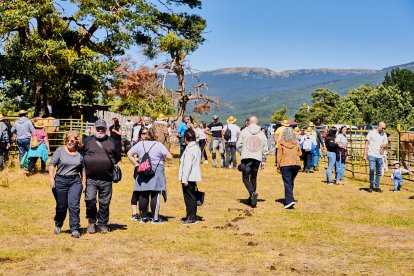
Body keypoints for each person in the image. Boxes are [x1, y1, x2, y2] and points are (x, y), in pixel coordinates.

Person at [82, 119, 121, 234]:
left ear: (106, 129)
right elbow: (80, 156)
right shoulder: (87, 141)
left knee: (104, 202)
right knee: (90, 200)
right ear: (94, 128)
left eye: (102, 128)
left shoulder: (113, 142)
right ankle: (91, 222)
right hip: (90, 178)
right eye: (98, 128)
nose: (100, 130)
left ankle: (103, 224)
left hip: (107, 178)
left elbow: (117, 158)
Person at [127, 128, 172, 224]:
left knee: (144, 193)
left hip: (143, 168)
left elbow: (129, 153)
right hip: (156, 170)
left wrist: (136, 164)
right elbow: (169, 157)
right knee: (155, 194)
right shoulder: (159, 145)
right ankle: (155, 218)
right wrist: (162, 156)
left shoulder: (140, 144)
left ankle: (143, 218)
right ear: (155, 135)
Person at [49, 131, 86, 238]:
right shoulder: (60, 151)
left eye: (73, 140)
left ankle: (74, 228)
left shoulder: (80, 154)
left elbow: (83, 169)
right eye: (68, 139)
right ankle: (58, 223)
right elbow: (52, 165)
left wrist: (84, 183)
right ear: (66, 140)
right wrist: (51, 178)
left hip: (75, 181)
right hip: (60, 180)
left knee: (74, 205)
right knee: (62, 206)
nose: (70, 141)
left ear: (76, 142)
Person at [236, 116, 269, 208]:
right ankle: (252, 197)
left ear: (249, 122)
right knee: (253, 177)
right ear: (257, 122)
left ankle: (252, 194)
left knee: (245, 178)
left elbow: (238, 145)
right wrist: (263, 160)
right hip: (257, 158)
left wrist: (243, 153)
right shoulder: (262, 134)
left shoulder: (244, 131)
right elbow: (265, 148)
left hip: (246, 158)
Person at [178, 128, 202, 225]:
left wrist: (184, 179)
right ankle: (192, 215)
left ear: (186, 138)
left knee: (189, 198)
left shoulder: (190, 149)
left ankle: (191, 217)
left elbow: (187, 165)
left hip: (189, 177)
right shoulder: (196, 147)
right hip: (193, 176)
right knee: (192, 196)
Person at [277, 127, 302, 209]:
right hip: (296, 164)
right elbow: (300, 153)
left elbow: (279, 155)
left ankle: (289, 201)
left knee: (287, 183)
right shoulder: (296, 142)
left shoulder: (280, 143)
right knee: (290, 182)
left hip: (285, 164)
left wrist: (278, 165)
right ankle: (290, 198)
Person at [364, 122, 388, 193]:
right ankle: (371, 186)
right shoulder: (371, 133)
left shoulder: (384, 134)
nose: (383, 129)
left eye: (384, 128)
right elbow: (366, 143)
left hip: (380, 155)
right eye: (382, 128)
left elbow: (386, 143)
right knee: (371, 169)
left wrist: (384, 145)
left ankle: (377, 187)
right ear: (378, 126)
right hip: (371, 154)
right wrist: (365, 154)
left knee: (378, 171)